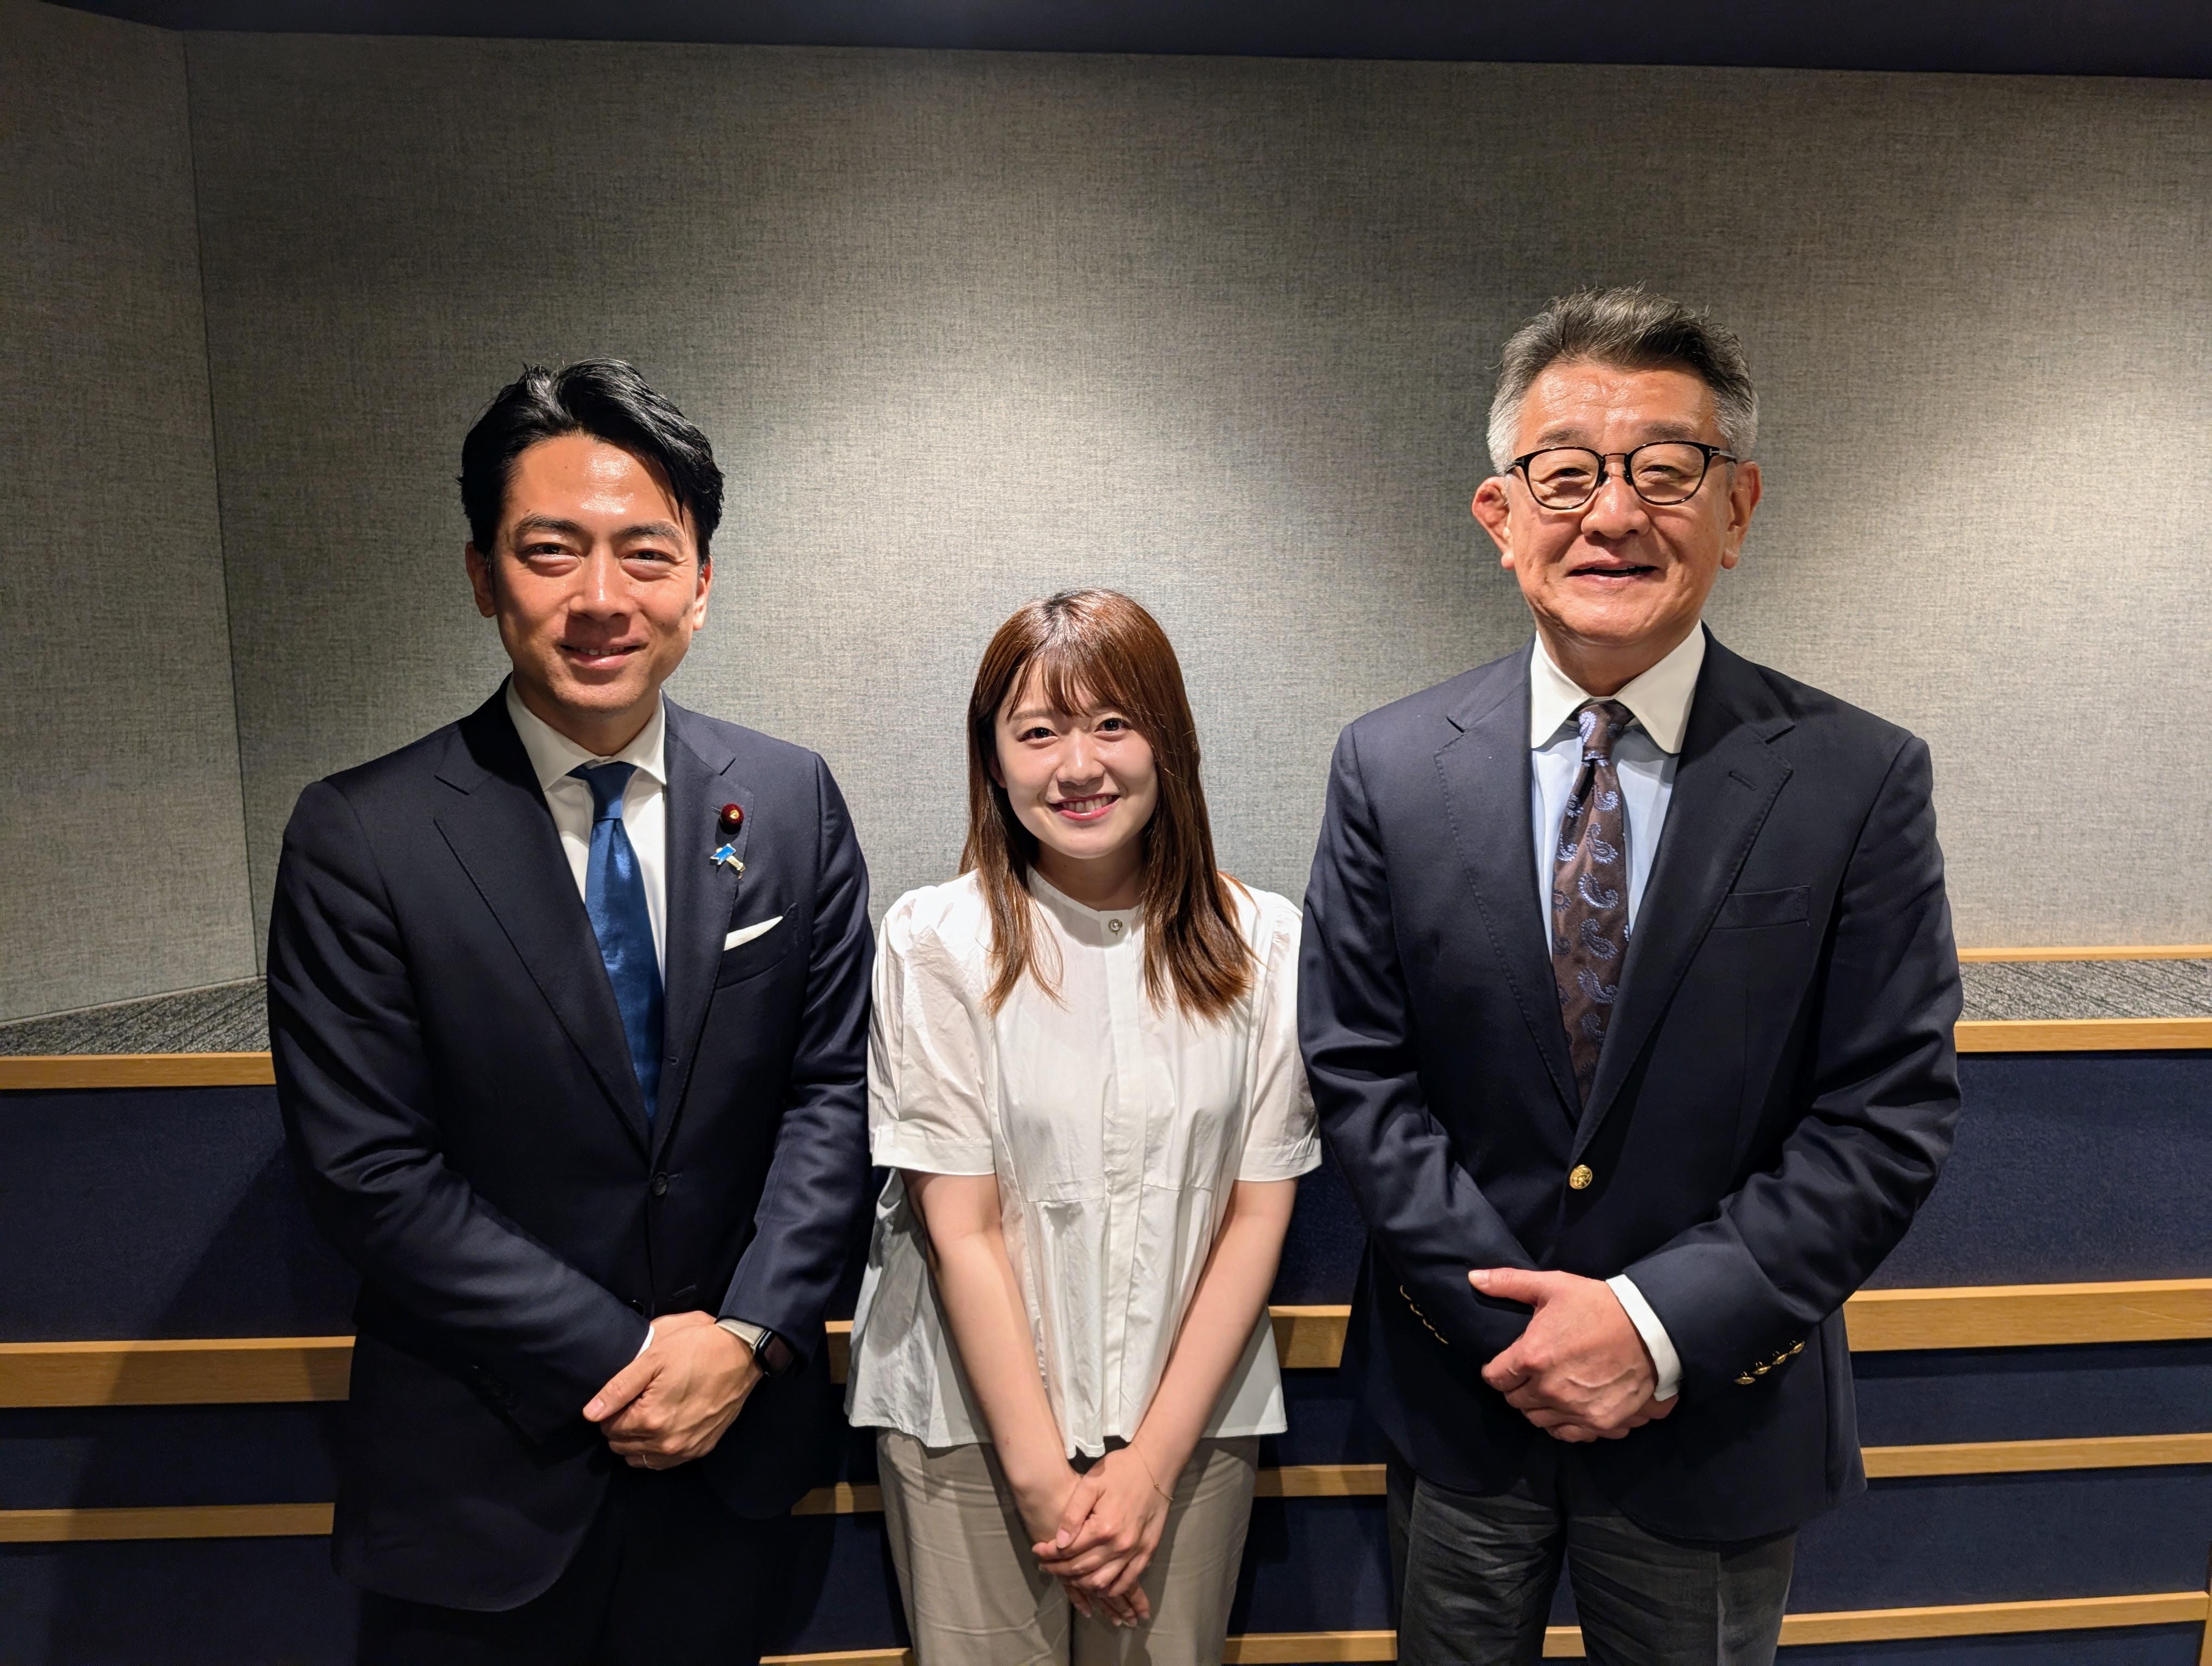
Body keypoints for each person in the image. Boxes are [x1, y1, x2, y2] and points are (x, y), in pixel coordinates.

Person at [1298, 289, 1963, 1664]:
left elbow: (1883, 1115)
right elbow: (1362, 1074)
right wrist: (1525, 1330)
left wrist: (1650, 1328)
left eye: (1665, 469)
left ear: (1738, 507)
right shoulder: (1387, 765)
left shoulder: (1859, 778)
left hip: (1713, 1410)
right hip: (1466, 1392)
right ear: (1500, 515)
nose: (1612, 514)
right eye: (1566, 474)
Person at [266, 359, 873, 1665]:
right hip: (485, 1475)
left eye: (646, 554)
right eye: (551, 552)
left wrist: (747, 1339)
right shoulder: (360, 834)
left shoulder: (790, 801)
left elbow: (832, 1095)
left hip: (733, 1461)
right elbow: (371, 1172)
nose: (602, 597)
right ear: (483, 576)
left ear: (700, 585)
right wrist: (634, 1356)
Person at [845, 588, 1319, 1664]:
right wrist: (1042, 1482)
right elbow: (960, 1228)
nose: (1078, 766)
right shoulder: (935, 939)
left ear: (1168, 742)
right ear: (994, 758)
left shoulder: (1265, 942)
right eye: (1038, 732)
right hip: (969, 1428)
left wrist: (1147, 1468)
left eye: (1113, 724)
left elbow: (1257, 1214)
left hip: (1189, 1422)